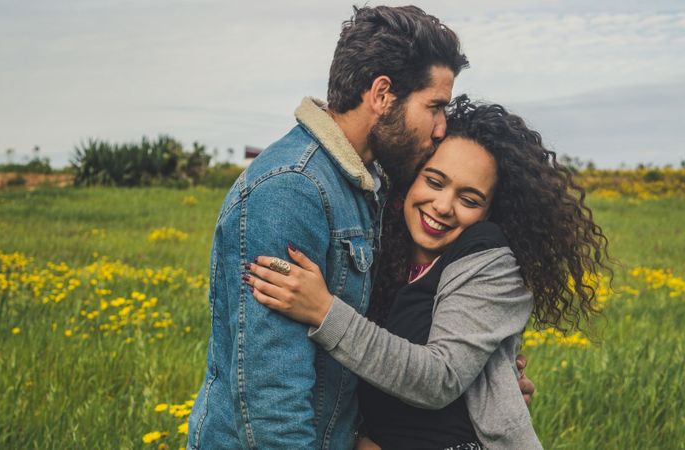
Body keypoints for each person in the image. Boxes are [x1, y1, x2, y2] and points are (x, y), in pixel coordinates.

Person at [187, 6, 533, 449]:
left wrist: (490, 387)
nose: (442, 127)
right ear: (382, 94)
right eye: (435, 107)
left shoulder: (366, 185)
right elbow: (270, 398)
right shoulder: (293, 190)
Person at [245, 96, 611, 449]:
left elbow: (438, 379)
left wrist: (323, 311)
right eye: (434, 181)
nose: (443, 206)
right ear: (409, 181)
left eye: (469, 200)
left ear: (489, 212)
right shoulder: (382, 252)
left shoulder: (489, 258)